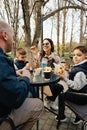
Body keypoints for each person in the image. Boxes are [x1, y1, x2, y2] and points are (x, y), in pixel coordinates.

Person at [0, 20, 44, 130]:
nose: (13, 41)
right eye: (13, 37)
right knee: (38, 104)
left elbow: (36, 66)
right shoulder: (3, 60)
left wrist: (34, 55)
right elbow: (16, 97)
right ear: (5, 35)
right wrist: (25, 77)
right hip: (3, 116)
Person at [55, 45, 87, 124]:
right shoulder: (82, 67)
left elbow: (76, 86)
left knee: (62, 96)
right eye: (74, 55)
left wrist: (64, 78)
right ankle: (77, 118)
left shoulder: (80, 72)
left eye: (79, 55)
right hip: (83, 92)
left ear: (86, 57)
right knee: (66, 91)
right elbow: (77, 77)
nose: (75, 57)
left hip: (81, 97)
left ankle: (61, 117)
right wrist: (69, 70)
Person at [30, 38, 64, 111]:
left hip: (51, 77)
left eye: (47, 43)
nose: (45, 45)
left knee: (60, 87)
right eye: (43, 44)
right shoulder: (40, 55)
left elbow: (60, 67)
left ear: (51, 45)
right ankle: (47, 101)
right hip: (40, 77)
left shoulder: (55, 56)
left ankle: (49, 101)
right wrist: (35, 54)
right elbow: (36, 67)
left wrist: (55, 69)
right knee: (50, 88)